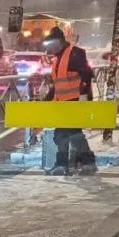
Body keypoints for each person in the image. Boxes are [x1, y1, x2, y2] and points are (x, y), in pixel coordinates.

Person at [43, 26, 97, 175]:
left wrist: (83, 95)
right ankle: (82, 163)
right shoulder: (58, 58)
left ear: (58, 42)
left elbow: (86, 74)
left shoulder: (74, 53)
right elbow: (58, 84)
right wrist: (46, 100)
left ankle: (69, 164)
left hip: (74, 102)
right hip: (63, 104)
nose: (48, 49)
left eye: (50, 45)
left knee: (67, 134)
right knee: (69, 134)